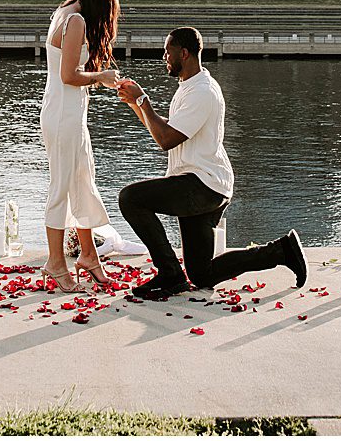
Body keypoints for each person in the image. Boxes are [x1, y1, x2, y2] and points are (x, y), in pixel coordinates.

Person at [113, 26, 309, 302]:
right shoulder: (190, 87)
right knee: (202, 274)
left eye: (167, 52)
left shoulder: (202, 92)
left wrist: (143, 99)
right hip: (205, 182)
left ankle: (169, 274)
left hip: (202, 184)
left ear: (184, 53)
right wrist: (135, 104)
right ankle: (281, 250)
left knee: (130, 198)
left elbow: (166, 140)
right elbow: (169, 130)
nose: (163, 58)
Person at [40, 0, 127, 289]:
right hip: (64, 112)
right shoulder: (75, 20)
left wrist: (98, 78)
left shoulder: (65, 12)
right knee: (61, 185)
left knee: (82, 181)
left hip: (68, 112)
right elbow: (68, 76)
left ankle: (89, 255)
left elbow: (71, 72)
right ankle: (55, 262)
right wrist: (101, 77)